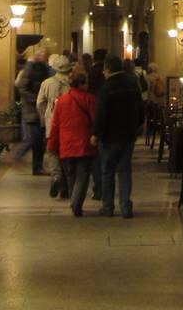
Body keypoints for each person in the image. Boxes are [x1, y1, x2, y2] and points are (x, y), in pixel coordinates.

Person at [91, 54, 143, 218]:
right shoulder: (132, 84)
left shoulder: (106, 87)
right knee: (124, 170)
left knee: (107, 171)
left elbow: (101, 113)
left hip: (109, 137)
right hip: (128, 135)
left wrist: (96, 133)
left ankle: (108, 206)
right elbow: (140, 108)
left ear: (107, 69)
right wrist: (137, 125)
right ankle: (126, 206)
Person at [45, 68, 97, 216]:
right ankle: (76, 203)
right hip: (84, 143)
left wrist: (51, 144)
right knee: (83, 175)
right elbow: (95, 120)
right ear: (82, 83)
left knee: (71, 175)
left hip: (66, 145)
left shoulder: (62, 101)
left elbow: (55, 124)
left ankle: (74, 201)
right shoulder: (89, 99)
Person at [12, 46, 53, 175]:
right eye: (44, 56)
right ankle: (17, 155)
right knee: (34, 139)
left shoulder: (41, 68)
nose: (45, 59)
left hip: (38, 109)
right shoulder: (31, 67)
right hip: (32, 110)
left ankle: (37, 167)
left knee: (38, 140)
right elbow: (22, 87)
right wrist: (35, 99)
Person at [37, 52, 73, 198]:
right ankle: (65, 188)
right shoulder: (72, 84)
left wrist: (45, 117)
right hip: (68, 124)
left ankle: (56, 176)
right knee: (65, 154)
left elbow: (40, 103)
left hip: (51, 123)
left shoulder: (46, 83)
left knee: (52, 151)